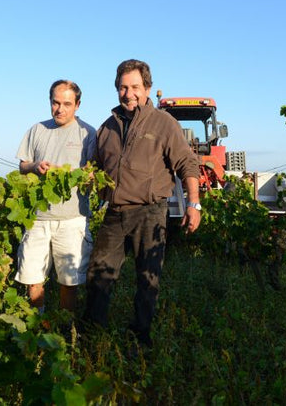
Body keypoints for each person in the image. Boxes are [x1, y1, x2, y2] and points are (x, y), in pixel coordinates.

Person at [83, 59, 201, 348]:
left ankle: (140, 337)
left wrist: (193, 204)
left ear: (147, 88)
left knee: (148, 277)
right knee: (99, 273)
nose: (128, 93)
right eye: (123, 87)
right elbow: (94, 168)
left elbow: (187, 163)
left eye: (135, 86)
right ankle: (92, 334)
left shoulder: (164, 123)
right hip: (114, 213)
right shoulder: (107, 127)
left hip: (150, 213)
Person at [14, 80, 96, 315]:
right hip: (37, 218)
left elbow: (93, 173)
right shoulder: (37, 130)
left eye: (67, 104)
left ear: (77, 105)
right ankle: (37, 327)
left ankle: (64, 330)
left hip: (73, 219)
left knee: (68, 281)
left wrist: (76, 174)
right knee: (33, 277)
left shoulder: (88, 134)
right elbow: (22, 165)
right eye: (56, 103)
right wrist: (35, 166)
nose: (60, 109)